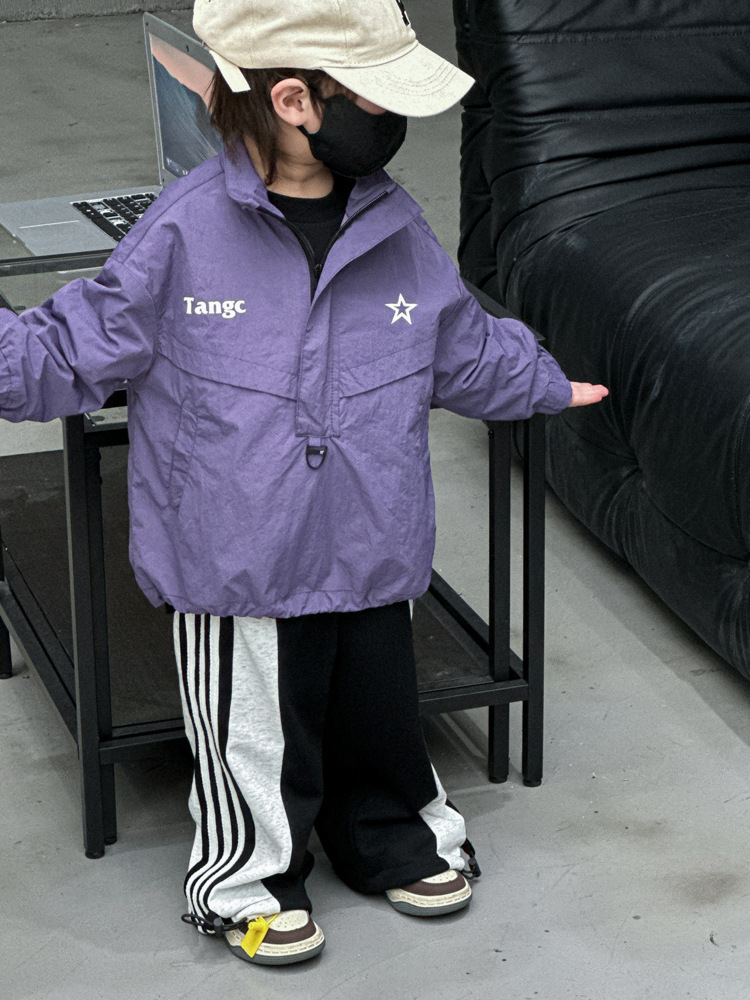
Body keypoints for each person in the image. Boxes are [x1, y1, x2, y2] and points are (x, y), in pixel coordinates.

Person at [0, 0, 608, 969]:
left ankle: (390, 832)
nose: (395, 121)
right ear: (294, 101)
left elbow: (457, 343)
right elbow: (66, 353)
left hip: (370, 538)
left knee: (380, 714)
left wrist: (539, 381)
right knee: (255, 737)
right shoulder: (183, 234)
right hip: (239, 559)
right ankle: (246, 879)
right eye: (380, 97)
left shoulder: (395, 225)